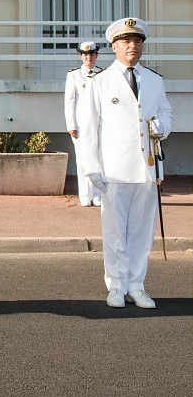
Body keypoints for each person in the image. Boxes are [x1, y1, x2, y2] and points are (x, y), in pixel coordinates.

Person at [79, 17, 172, 310]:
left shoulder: (154, 80)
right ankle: (117, 286)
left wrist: (162, 127)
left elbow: (166, 113)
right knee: (115, 231)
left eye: (137, 41)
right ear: (114, 46)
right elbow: (89, 127)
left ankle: (136, 285)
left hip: (146, 167)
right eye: (127, 41)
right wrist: (91, 166)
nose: (133, 46)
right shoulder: (101, 81)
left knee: (142, 232)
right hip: (115, 168)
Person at [64, 41, 103, 207]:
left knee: (99, 158)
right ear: (81, 56)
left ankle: (98, 195)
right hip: (81, 123)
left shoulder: (103, 73)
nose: (89, 57)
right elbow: (69, 101)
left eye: (91, 54)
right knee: (82, 159)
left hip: (99, 123)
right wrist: (71, 124)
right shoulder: (74, 75)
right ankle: (85, 195)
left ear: (96, 55)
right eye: (85, 55)